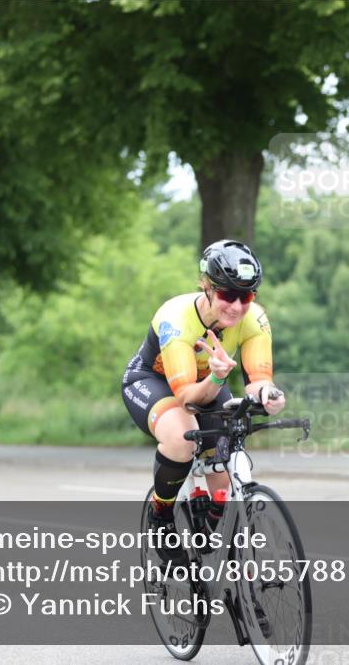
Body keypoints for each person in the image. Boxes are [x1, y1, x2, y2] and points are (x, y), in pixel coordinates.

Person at [121, 240, 285, 562]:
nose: (237, 307)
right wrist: (217, 378)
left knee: (223, 476)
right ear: (206, 287)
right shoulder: (176, 318)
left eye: (246, 296)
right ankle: (162, 516)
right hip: (155, 382)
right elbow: (187, 398)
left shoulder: (255, 320)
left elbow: (259, 379)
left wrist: (268, 394)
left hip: (209, 380)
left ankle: (210, 545)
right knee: (183, 438)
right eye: (227, 295)